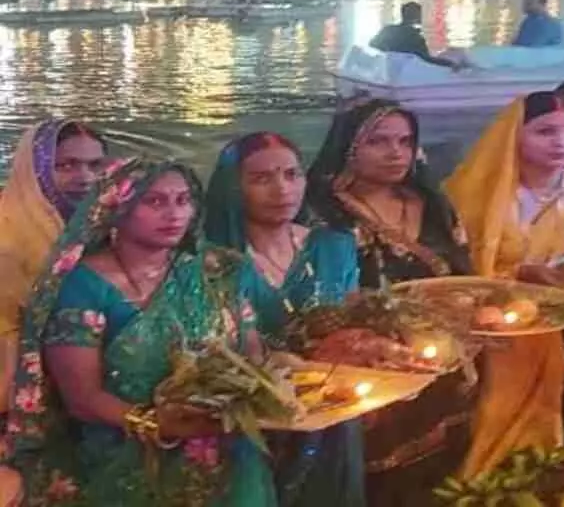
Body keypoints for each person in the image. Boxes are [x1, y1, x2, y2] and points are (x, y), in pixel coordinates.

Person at [6, 159, 277, 505]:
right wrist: (154, 424)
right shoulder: (85, 286)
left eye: (183, 200)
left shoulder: (214, 269)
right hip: (126, 454)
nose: (174, 214)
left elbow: (251, 351)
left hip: (227, 444)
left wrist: (261, 394)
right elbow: (83, 398)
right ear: (117, 208)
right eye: (155, 201)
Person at [445, 92, 564, 475]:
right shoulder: (472, 194)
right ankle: (492, 477)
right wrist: (520, 276)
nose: (561, 142)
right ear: (514, 136)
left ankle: (553, 469)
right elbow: (455, 270)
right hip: (491, 320)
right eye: (545, 131)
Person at [305, 100, 473, 506]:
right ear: (347, 148)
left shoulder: (432, 203)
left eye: (405, 141)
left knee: (440, 462)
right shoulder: (322, 214)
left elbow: (463, 268)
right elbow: (317, 297)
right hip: (369, 362)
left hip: (441, 351)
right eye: (377, 141)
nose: (396, 152)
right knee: (380, 470)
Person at [204, 133, 364, 507]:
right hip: (247, 419)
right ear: (232, 188)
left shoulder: (334, 247)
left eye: (292, 174)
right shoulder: (210, 262)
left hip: (332, 410)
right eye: (262, 179)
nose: (282, 190)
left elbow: (355, 322)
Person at [0, 120, 106, 409]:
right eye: (66, 165)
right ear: (34, 170)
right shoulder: (6, 235)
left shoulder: (102, 224)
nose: (85, 178)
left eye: (95, 165)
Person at [370, 2, 461, 70]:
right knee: (456, 54)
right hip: (411, 71)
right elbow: (427, 59)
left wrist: (389, 50)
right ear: (417, 17)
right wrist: (450, 64)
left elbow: (372, 44)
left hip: (389, 67)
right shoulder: (415, 37)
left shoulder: (388, 30)